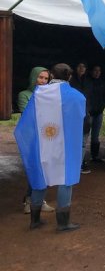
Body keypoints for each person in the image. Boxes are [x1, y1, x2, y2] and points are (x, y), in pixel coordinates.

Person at [14, 63, 85, 232]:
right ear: (69, 76)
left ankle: (35, 220)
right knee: (65, 179)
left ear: (52, 75)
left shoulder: (38, 94)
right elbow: (81, 117)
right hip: (64, 145)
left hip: (43, 143)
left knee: (41, 178)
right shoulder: (77, 96)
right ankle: (63, 223)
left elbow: (29, 119)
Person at [17, 67, 55, 214]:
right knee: (35, 169)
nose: (43, 81)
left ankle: (39, 200)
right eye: (40, 77)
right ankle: (28, 200)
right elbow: (28, 116)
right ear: (33, 77)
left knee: (45, 170)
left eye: (46, 79)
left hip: (47, 136)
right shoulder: (24, 95)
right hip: (32, 138)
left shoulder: (49, 96)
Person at [70, 62, 92, 174]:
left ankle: (78, 165)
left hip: (85, 114)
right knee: (73, 141)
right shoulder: (71, 81)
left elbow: (92, 97)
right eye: (79, 66)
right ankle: (72, 164)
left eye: (84, 66)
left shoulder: (88, 81)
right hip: (73, 114)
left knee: (83, 141)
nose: (81, 68)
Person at [88, 65, 105, 163]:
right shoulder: (87, 82)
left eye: (99, 70)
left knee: (95, 136)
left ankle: (95, 156)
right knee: (84, 136)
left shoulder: (102, 83)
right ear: (91, 71)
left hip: (99, 112)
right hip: (89, 113)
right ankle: (81, 158)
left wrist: (103, 106)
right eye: (95, 70)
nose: (97, 72)